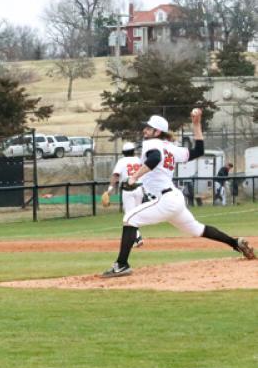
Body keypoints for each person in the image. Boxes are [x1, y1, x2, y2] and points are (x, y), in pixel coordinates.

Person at [102, 109, 255, 278]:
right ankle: (235, 243)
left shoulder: (151, 143)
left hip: (164, 199)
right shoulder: (171, 148)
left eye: (149, 128)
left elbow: (154, 159)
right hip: (174, 199)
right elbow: (198, 151)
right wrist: (196, 125)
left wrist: (134, 177)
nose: (145, 130)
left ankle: (121, 265)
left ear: (157, 132)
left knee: (130, 218)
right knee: (198, 229)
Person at [106, 141, 144, 247]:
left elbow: (116, 175)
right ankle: (136, 237)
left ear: (124, 152)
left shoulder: (122, 161)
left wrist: (110, 188)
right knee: (135, 214)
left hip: (128, 190)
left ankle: (138, 237)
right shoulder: (138, 160)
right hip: (139, 189)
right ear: (133, 151)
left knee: (129, 216)